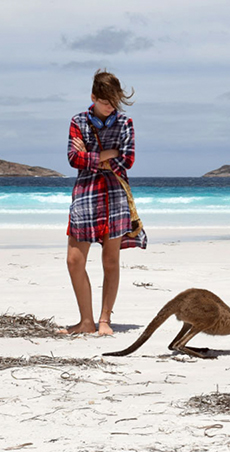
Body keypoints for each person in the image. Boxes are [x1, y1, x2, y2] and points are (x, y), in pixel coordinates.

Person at [60, 70, 147, 336]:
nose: (110, 107)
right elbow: (74, 159)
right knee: (74, 260)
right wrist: (106, 156)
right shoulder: (78, 121)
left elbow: (127, 160)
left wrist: (91, 155)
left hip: (115, 196)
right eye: (105, 102)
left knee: (110, 260)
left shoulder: (125, 122)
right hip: (85, 195)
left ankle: (105, 320)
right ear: (93, 97)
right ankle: (86, 321)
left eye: (114, 102)